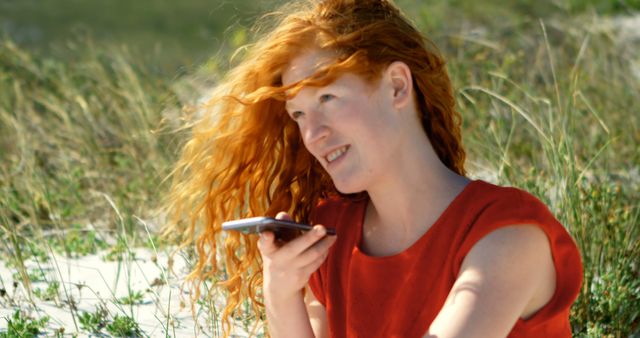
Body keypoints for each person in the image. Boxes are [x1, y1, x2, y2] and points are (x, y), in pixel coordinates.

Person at [162, 0, 583, 337]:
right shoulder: (331, 233)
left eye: (327, 99)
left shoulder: (506, 235)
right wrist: (281, 292)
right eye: (299, 115)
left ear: (397, 86)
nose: (313, 134)